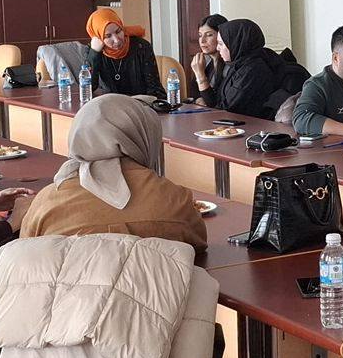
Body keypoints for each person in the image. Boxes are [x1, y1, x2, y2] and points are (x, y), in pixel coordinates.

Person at [18, 94, 204, 246]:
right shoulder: (174, 200)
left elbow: (26, 256)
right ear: (144, 135)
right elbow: (199, 243)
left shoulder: (47, 202)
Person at [210, 19, 302, 120]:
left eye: (221, 44)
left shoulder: (253, 70)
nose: (217, 48)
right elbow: (220, 102)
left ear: (236, 43)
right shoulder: (238, 65)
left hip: (256, 126)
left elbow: (230, 109)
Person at [84, 7, 165, 99]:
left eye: (118, 31)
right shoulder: (94, 50)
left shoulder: (141, 46)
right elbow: (88, 88)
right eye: (108, 36)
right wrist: (94, 53)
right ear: (98, 37)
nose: (116, 40)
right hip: (112, 104)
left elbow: (154, 89)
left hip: (141, 103)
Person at [186, 13, 228, 105]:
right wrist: (198, 99)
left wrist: (200, 74)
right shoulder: (205, 60)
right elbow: (194, 93)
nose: (202, 40)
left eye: (209, 35)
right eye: (200, 35)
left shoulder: (229, 64)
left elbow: (214, 103)